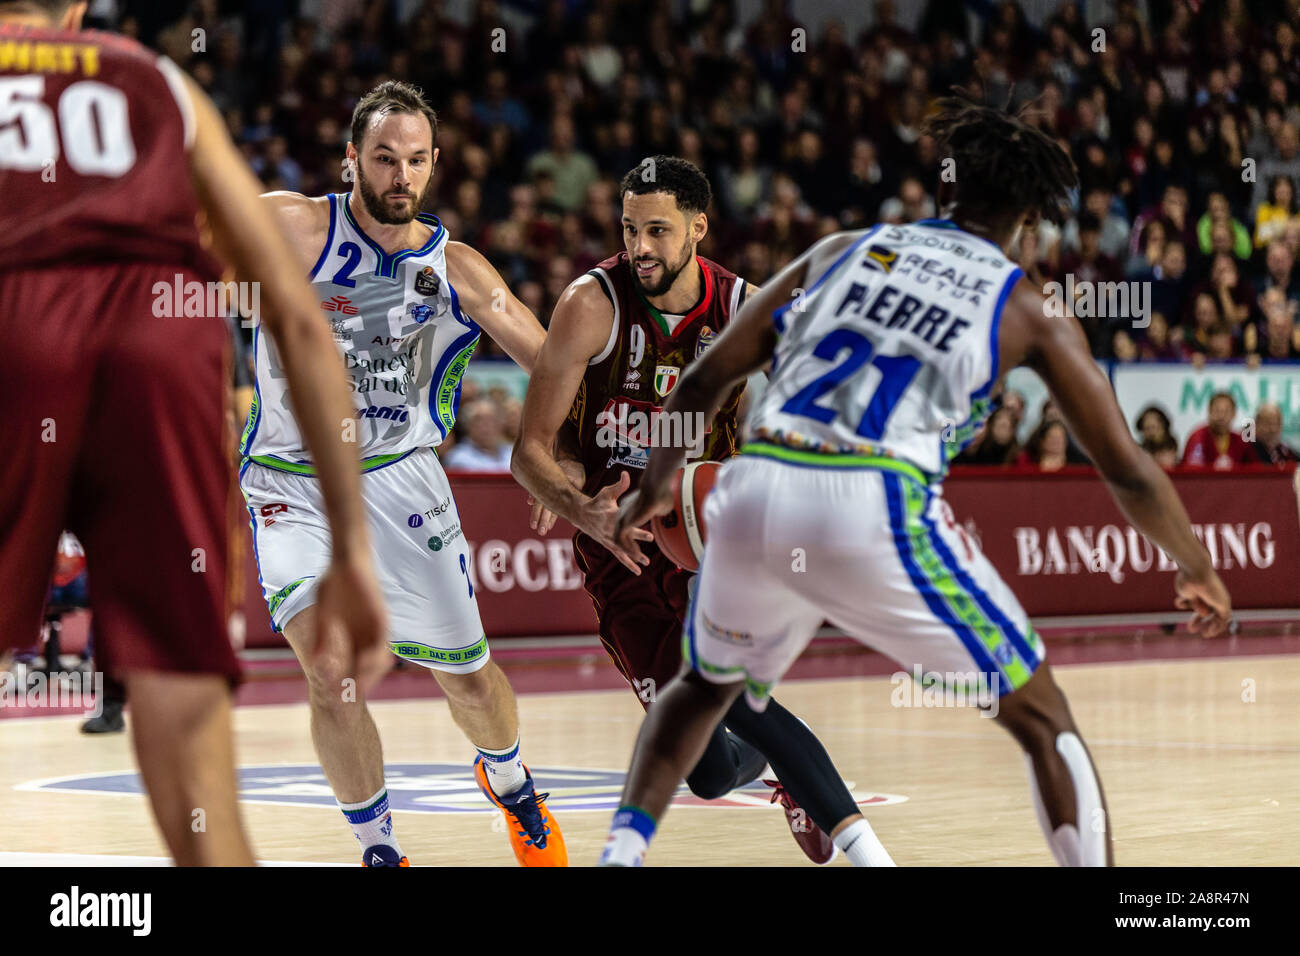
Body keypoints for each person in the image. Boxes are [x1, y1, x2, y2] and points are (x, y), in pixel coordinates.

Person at [603, 98, 1231, 867]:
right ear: (1030, 220)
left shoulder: (840, 250)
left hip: (754, 489)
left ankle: (619, 857)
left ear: (944, 193)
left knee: (702, 690)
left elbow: (702, 380)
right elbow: (1129, 472)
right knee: (1043, 718)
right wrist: (1195, 567)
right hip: (870, 502)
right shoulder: (1025, 307)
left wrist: (645, 493)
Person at [1, 0, 387, 866]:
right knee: (182, 709)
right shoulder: (156, 80)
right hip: (158, 335)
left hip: (13, 320)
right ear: (76, 5)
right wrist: (354, 550)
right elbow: (293, 310)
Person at [512, 156, 892, 866]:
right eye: (630, 230)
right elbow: (526, 451)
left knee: (736, 693)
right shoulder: (590, 304)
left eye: (658, 230)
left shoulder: (747, 309)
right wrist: (574, 503)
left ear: (698, 228)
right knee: (710, 770)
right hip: (615, 550)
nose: (640, 247)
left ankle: (872, 857)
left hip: (705, 542)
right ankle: (783, 773)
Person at [244, 80, 565, 866]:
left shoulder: (457, 269)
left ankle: (513, 782)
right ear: (352, 158)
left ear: (434, 166)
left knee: (470, 682)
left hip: (402, 479)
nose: (399, 176)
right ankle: (380, 850)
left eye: (415, 161)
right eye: (383, 158)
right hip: (291, 479)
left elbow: (554, 363)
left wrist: (563, 454)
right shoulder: (291, 226)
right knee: (329, 668)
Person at [1181, 392, 1256, 469]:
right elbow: (1191, 470)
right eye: (1217, 411)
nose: (1221, 416)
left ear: (1234, 414)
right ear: (1209, 412)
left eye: (1226, 411)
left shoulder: (1241, 441)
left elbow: (1254, 469)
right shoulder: (1198, 438)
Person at [441, 400, 513, 472]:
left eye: (492, 420)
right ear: (468, 426)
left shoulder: (512, 453)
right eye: (479, 421)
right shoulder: (458, 457)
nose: (486, 427)